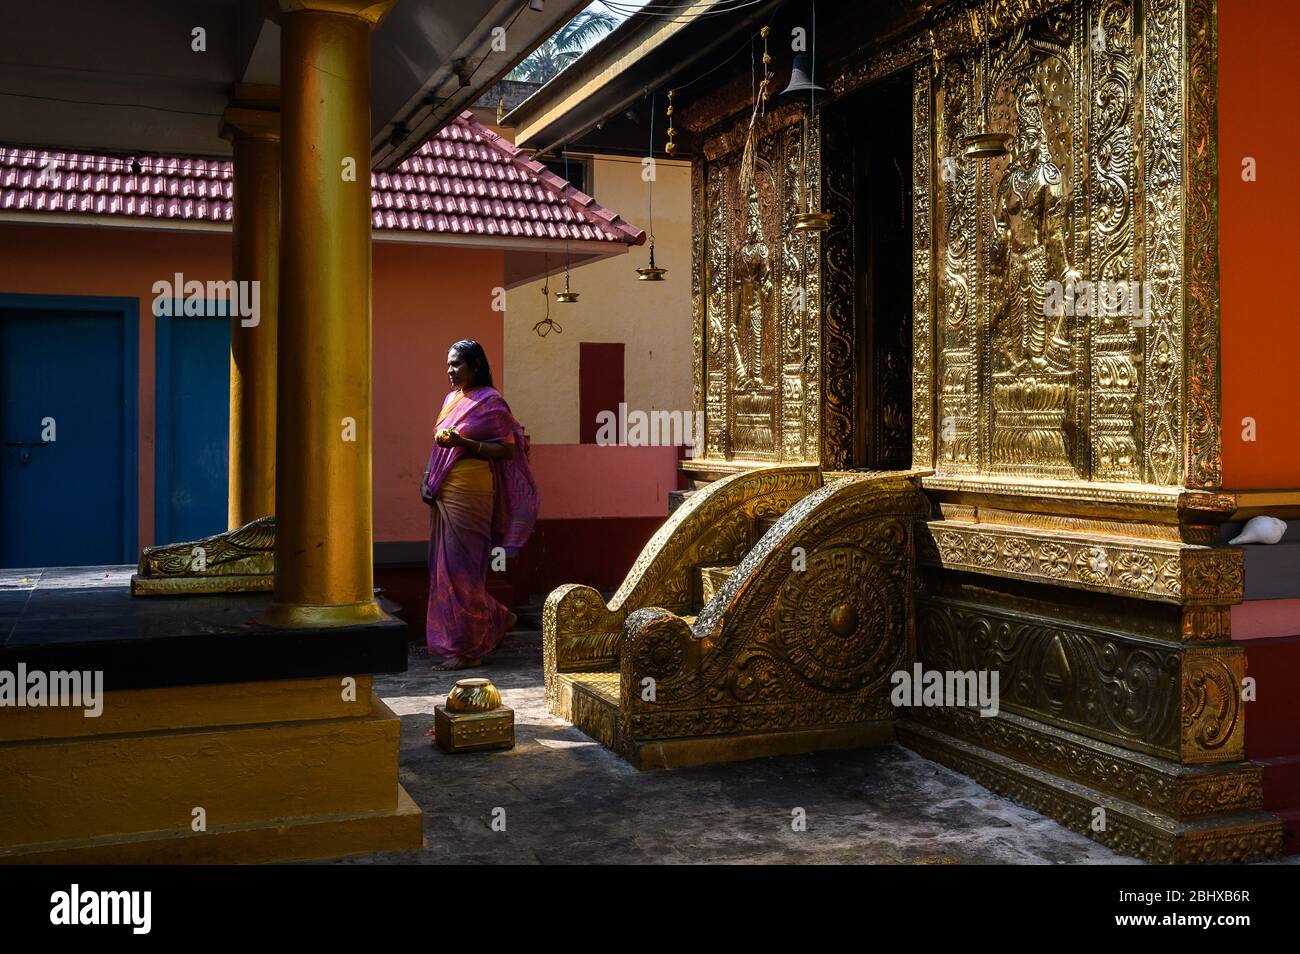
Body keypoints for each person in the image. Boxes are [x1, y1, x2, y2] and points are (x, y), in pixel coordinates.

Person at [421, 340, 538, 670]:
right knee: (443, 569)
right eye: (448, 364)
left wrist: (465, 443)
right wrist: (425, 479)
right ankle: (497, 617)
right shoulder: (449, 400)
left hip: (473, 492)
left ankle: (469, 650)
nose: (450, 370)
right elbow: (437, 449)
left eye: (457, 364)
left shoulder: (491, 402)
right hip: (444, 490)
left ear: (475, 365)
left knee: (464, 571)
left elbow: (507, 450)